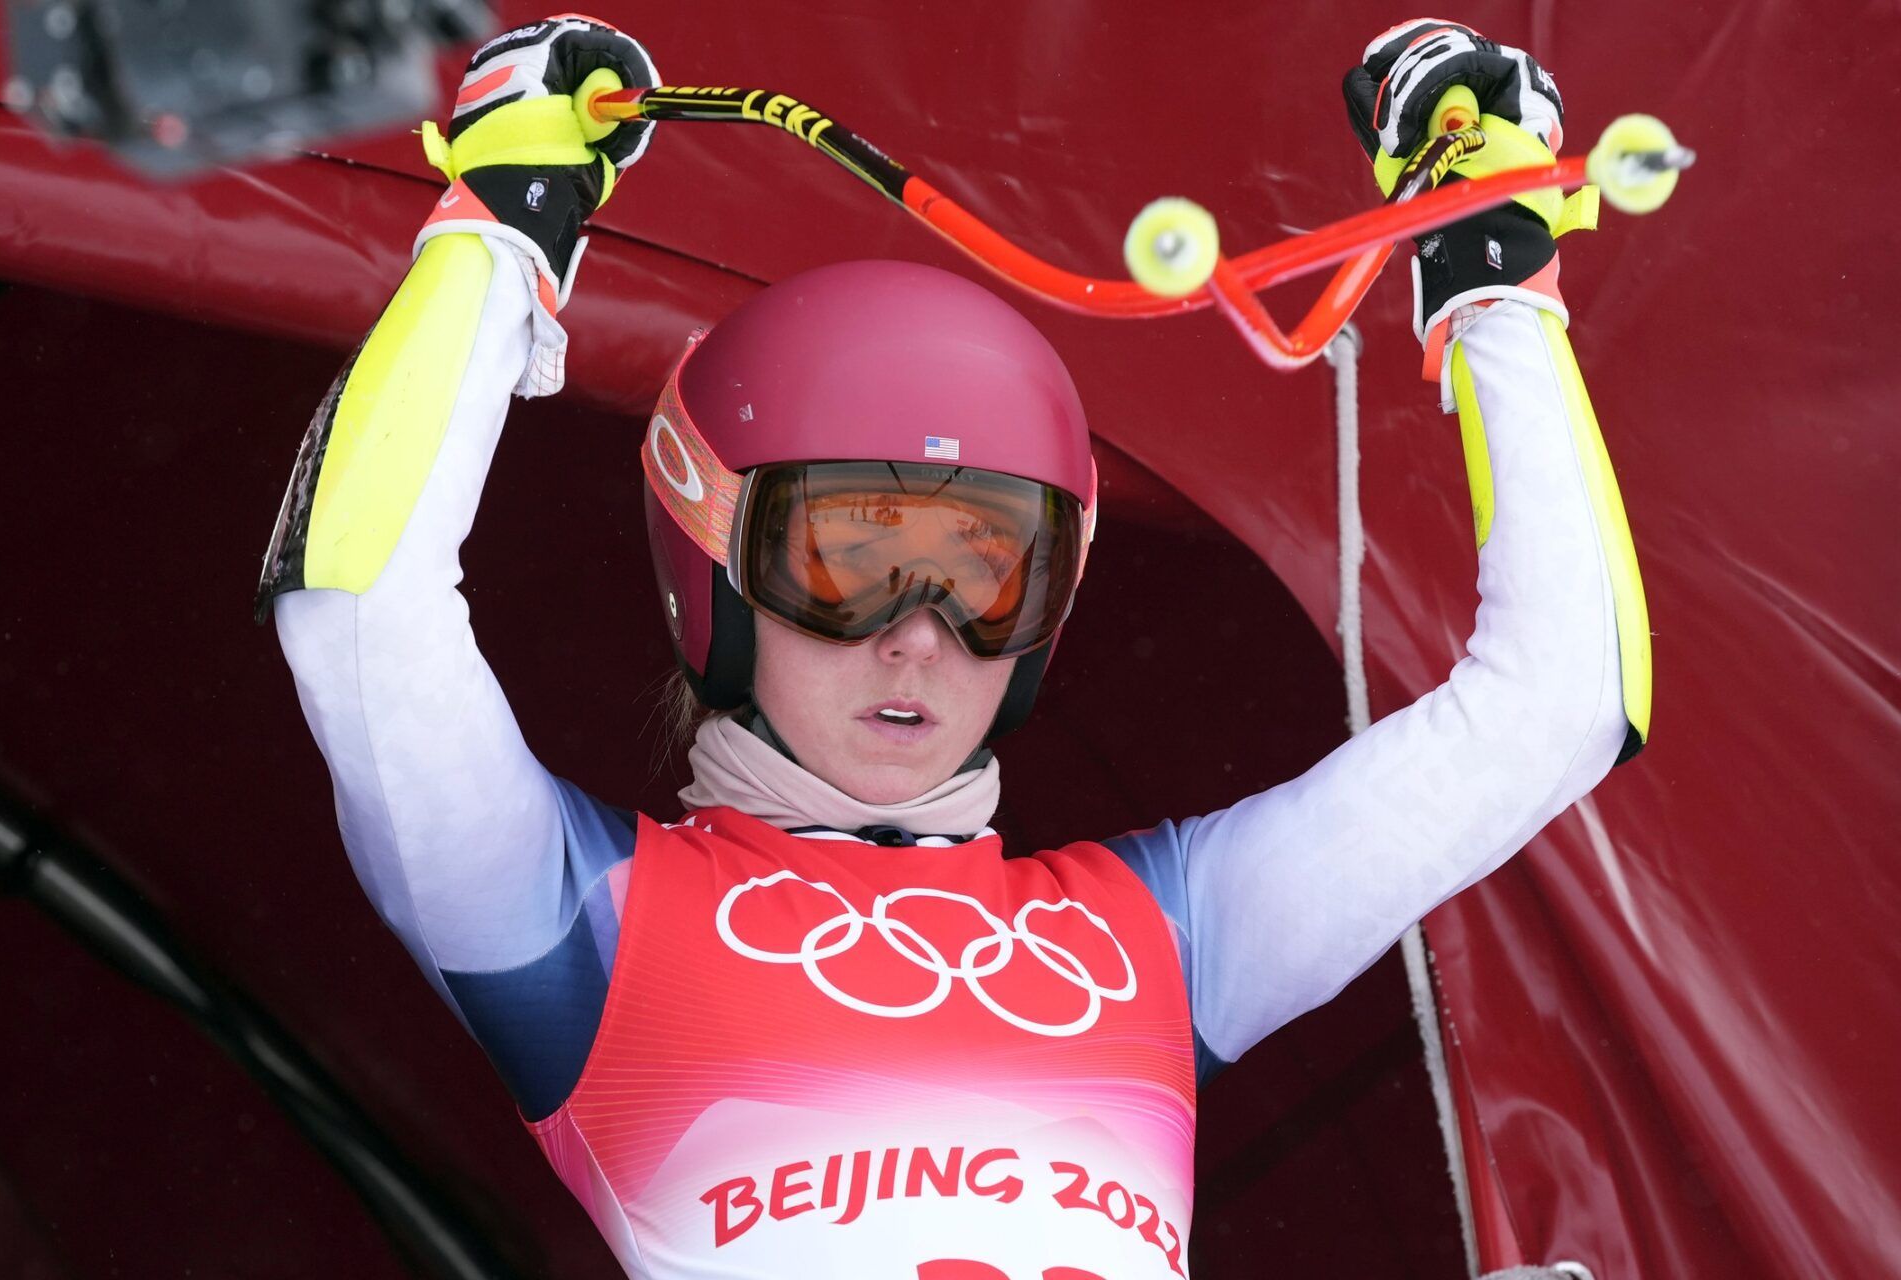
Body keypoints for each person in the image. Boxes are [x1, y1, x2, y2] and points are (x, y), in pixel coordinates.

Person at [258, 14, 1650, 1279]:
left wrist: (1496, 277)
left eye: (988, 573)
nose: (918, 641)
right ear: (715, 560)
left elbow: (1557, 705)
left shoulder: (1163, 941)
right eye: (847, 563)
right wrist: (503, 220)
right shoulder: (572, 924)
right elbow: (359, 611)